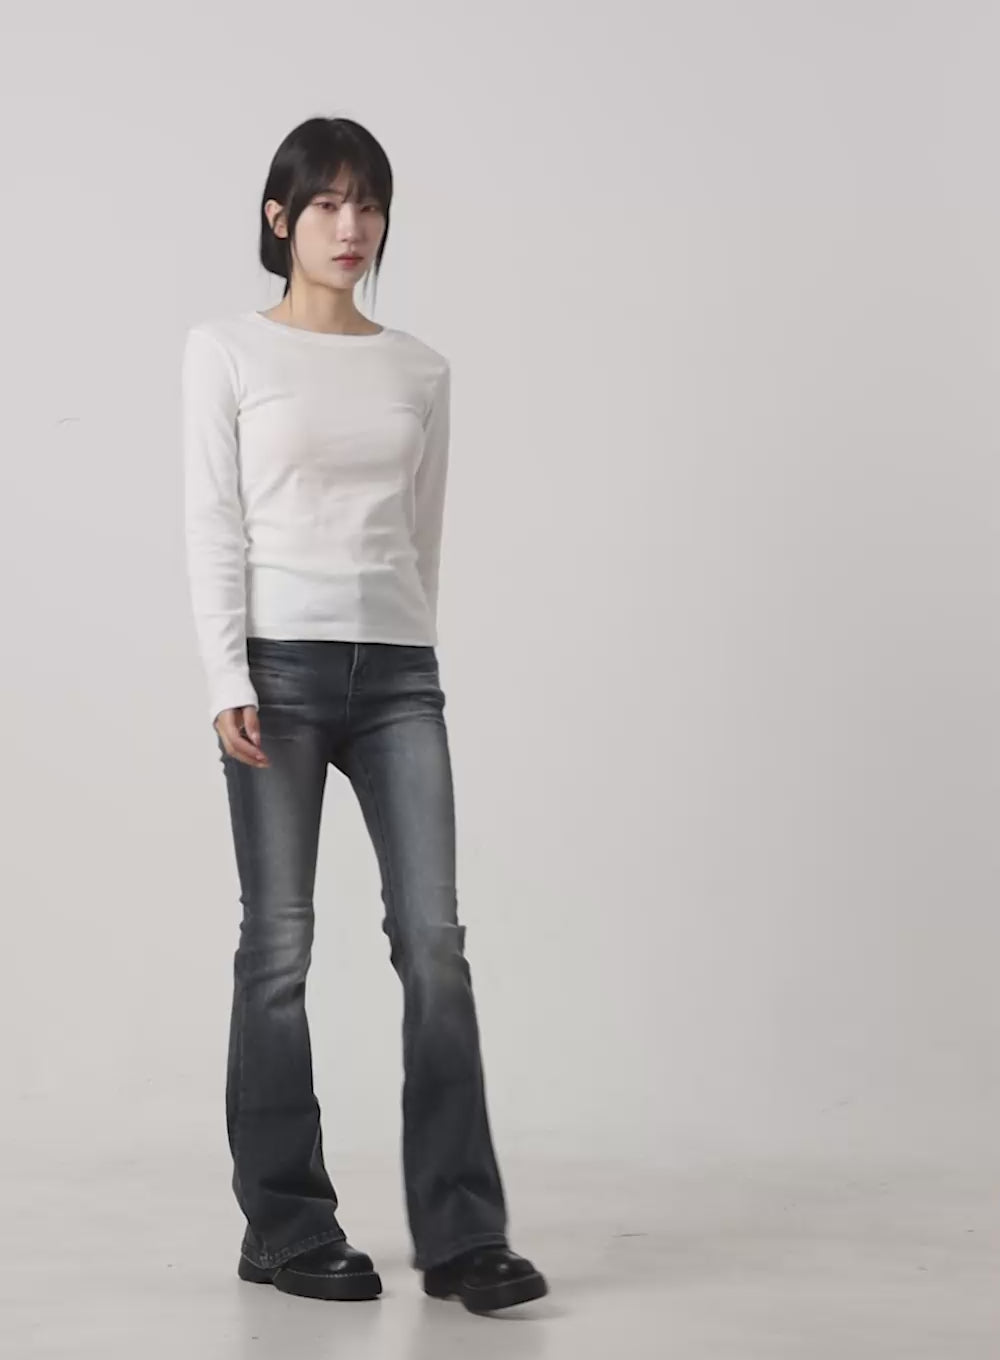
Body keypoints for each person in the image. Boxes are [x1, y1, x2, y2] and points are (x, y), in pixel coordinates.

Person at [180, 115, 547, 1315]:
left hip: (396, 678)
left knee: (433, 942)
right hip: (274, 675)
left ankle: (463, 1236)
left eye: (369, 203)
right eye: (328, 203)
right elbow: (214, 520)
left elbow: (420, 536)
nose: (353, 226)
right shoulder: (226, 350)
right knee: (278, 946)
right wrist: (225, 677)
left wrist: (410, 649)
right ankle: (286, 1226)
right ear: (279, 218)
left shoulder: (418, 369)